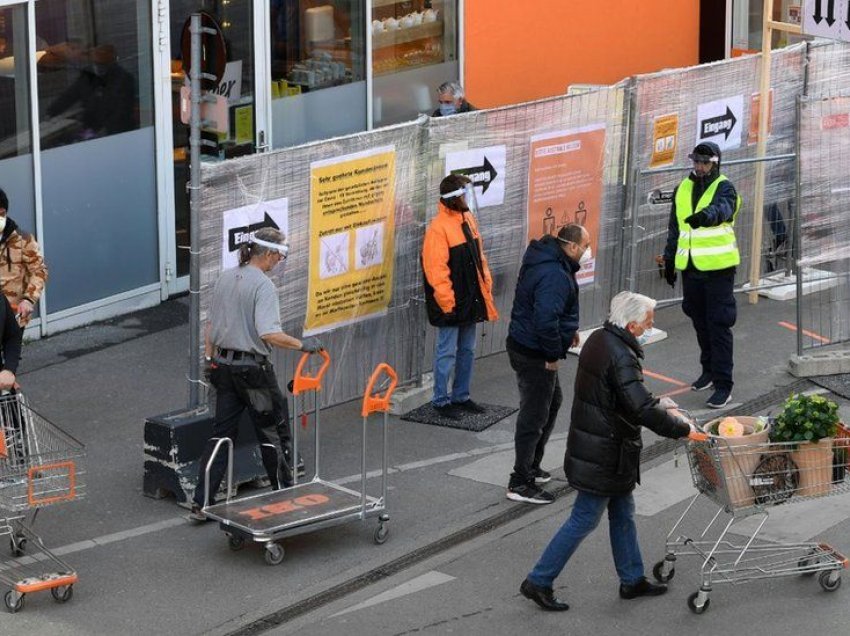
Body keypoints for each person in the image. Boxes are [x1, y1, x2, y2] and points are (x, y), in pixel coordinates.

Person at [519, 291, 694, 611]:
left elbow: (625, 395)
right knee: (584, 519)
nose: (650, 328)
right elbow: (638, 405)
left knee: (623, 513)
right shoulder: (621, 354)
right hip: (605, 453)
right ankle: (539, 580)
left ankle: (632, 579)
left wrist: (659, 403)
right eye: (647, 323)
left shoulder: (601, 340)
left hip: (598, 447)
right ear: (631, 325)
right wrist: (683, 429)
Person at [189, 227, 323, 521]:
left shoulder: (226, 277)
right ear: (270, 254)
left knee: (220, 436)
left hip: (223, 368)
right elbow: (269, 333)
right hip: (253, 372)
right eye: (281, 256)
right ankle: (285, 495)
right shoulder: (264, 286)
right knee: (273, 434)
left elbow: (210, 326)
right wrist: (303, 346)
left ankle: (202, 503)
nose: (280, 262)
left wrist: (211, 360)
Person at [505, 224, 589, 505]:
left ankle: (531, 466)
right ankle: (520, 480)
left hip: (527, 344)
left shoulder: (549, 260)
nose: (587, 252)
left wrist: (568, 332)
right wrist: (552, 356)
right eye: (586, 246)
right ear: (573, 246)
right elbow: (544, 319)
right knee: (535, 413)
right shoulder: (554, 272)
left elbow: (553, 310)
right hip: (534, 352)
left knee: (551, 403)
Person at [658, 141, 741, 409]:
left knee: (718, 323)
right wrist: (670, 259)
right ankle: (708, 370)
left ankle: (723, 384)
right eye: (696, 162)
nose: (699, 167)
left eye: (704, 163)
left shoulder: (724, 186)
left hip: (718, 268)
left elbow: (725, 209)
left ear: (715, 163)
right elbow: (675, 227)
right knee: (699, 319)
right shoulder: (683, 188)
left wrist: (706, 216)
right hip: (692, 267)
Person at [421, 174, 498, 419]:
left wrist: (486, 285)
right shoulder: (438, 229)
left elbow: (480, 258)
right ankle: (441, 400)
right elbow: (437, 272)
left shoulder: (468, 219)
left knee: (467, 349)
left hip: (470, 299)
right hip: (452, 304)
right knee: (447, 352)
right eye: (464, 194)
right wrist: (447, 304)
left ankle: (461, 396)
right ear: (454, 199)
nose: (468, 198)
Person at [0, 188, 48, 327]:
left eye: (2, 214)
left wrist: (28, 299)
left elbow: (39, 270)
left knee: (12, 349)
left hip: (13, 317)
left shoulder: (23, 239)